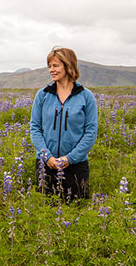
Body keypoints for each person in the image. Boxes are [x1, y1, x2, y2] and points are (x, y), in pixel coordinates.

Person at [29, 46, 98, 201]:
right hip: (46, 164)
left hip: (76, 165)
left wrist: (70, 158)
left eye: (55, 66)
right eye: (49, 66)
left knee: (76, 212)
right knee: (45, 213)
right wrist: (46, 156)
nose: (51, 70)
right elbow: (35, 128)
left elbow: (91, 132)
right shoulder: (43, 95)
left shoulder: (86, 97)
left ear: (68, 66)